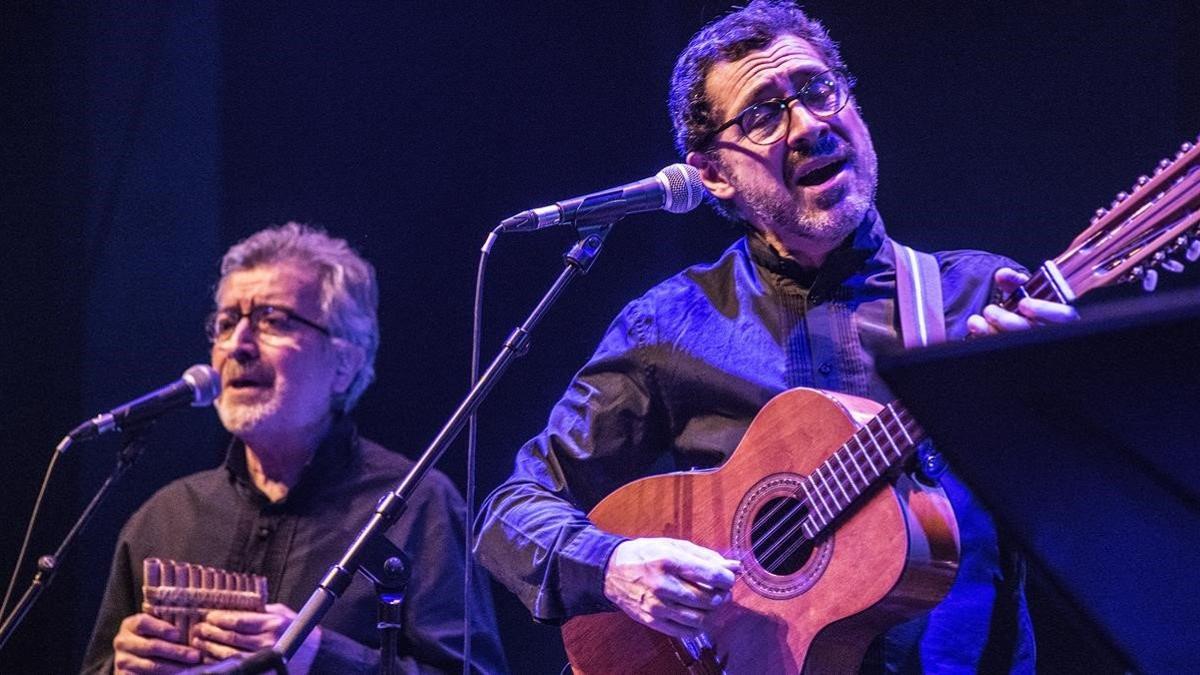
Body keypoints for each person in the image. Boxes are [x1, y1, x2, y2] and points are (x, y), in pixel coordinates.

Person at [474, 1, 1077, 672]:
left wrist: (1056, 401)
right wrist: (613, 563)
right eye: (763, 114)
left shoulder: (979, 298)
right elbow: (512, 510)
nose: (810, 124)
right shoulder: (671, 324)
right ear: (711, 172)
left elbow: (1095, 523)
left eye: (819, 89)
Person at [82, 223, 506, 674]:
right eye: (225, 324)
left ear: (345, 363)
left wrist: (318, 656)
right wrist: (118, 669)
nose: (238, 345)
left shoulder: (418, 506)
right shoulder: (163, 517)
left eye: (272, 320)